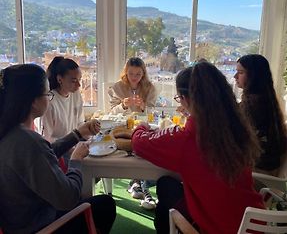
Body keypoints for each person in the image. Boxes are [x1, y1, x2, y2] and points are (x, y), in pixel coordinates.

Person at [132, 62, 264, 234]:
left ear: (186, 99)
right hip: (254, 222)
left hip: (217, 227)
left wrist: (141, 127)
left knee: (165, 190)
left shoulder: (188, 138)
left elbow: (139, 143)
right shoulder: (236, 127)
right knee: (167, 185)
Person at [0, 64, 116, 234]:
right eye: (47, 94)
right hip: (41, 225)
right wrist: (75, 161)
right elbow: (68, 198)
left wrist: (76, 134)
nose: (49, 98)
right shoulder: (28, 141)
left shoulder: (10, 132)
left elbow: (40, 157)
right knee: (105, 205)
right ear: (33, 101)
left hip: (15, 222)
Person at [108, 57, 157, 209]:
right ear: (125, 73)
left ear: (143, 74)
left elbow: (153, 113)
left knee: (147, 149)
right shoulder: (117, 87)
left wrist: (143, 107)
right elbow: (110, 113)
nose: (134, 77)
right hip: (122, 128)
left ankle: (138, 182)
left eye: (138, 74)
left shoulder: (150, 88)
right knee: (128, 146)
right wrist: (123, 105)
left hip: (143, 127)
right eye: (131, 74)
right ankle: (139, 182)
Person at [235, 54, 287, 176]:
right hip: (265, 166)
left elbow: (239, 136)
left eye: (240, 72)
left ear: (253, 76)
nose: (235, 76)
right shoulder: (263, 98)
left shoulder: (255, 104)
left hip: (259, 172)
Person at [41, 56, 84, 143]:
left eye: (79, 79)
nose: (79, 85)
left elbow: (80, 124)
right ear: (60, 79)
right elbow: (47, 139)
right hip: (58, 152)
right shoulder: (50, 102)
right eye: (74, 81)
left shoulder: (75, 94)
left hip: (75, 145)